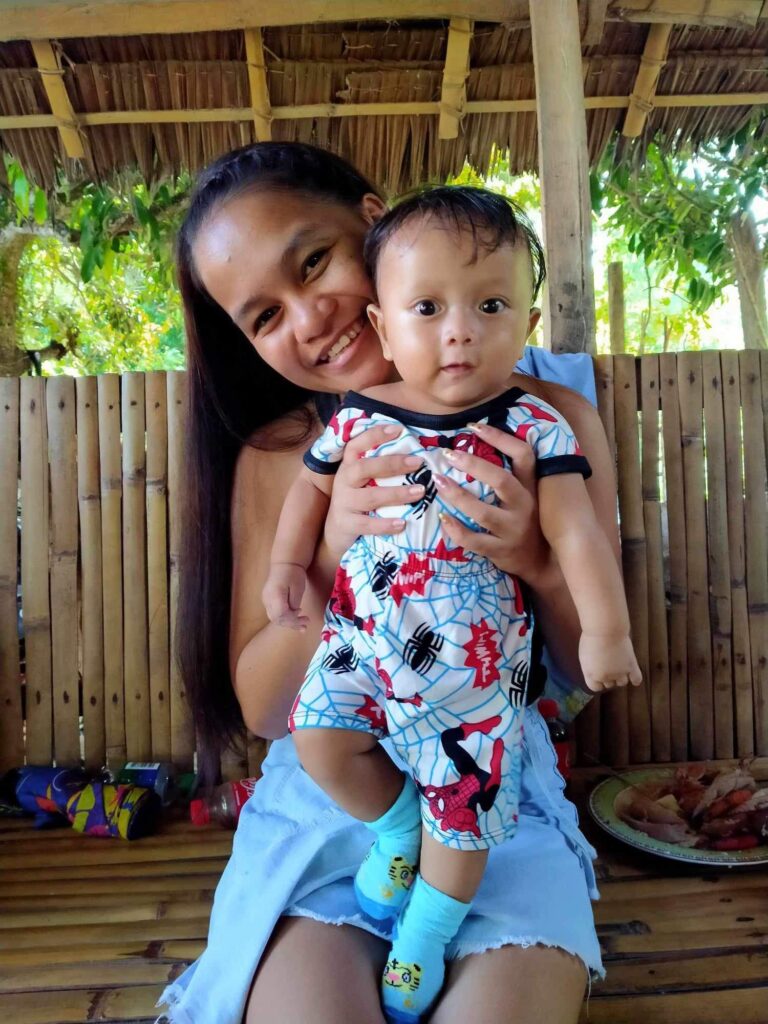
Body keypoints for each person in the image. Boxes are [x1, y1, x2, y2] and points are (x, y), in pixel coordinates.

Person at [157, 142, 622, 1024]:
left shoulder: (548, 422)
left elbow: (578, 665)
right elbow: (266, 711)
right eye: (265, 316)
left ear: (375, 225)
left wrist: (534, 559)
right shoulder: (282, 456)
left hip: (493, 783)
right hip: (335, 798)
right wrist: (331, 546)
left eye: (313, 262)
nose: (311, 318)